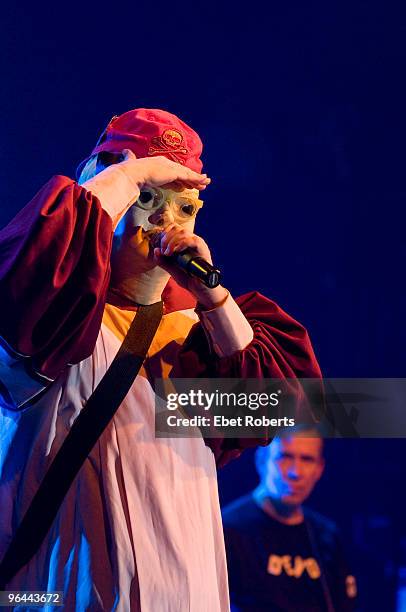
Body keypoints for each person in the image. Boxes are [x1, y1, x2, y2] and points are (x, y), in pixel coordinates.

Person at [0, 108, 321, 611]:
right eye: (148, 198)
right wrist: (126, 175)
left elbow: (274, 409)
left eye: (185, 207)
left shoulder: (197, 338)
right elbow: (38, 264)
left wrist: (213, 298)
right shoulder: (55, 321)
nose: (166, 223)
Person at [222, 427, 357, 611]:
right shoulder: (228, 530)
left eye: (307, 459)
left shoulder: (326, 536)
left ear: (319, 470)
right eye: (285, 457)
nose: (296, 472)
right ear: (262, 461)